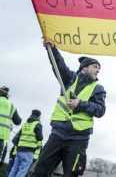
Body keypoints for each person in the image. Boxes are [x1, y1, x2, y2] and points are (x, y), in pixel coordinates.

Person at [32, 41, 106, 177]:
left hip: (79, 139)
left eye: (98, 68)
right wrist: (52, 49)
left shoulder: (98, 88)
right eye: (95, 67)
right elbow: (58, 64)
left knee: (72, 174)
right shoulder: (69, 79)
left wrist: (80, 104)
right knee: (39, 172)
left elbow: (100, 110)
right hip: (58, 134)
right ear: (84, 68)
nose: (98, 70)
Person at [8, 109, 43, 177]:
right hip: (28, 152)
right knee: (22, 171)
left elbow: (16, 138)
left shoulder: (25, 124)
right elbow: (40, 137)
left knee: (14, 169)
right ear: (39, 116)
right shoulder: (37, 124)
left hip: (19, 150)